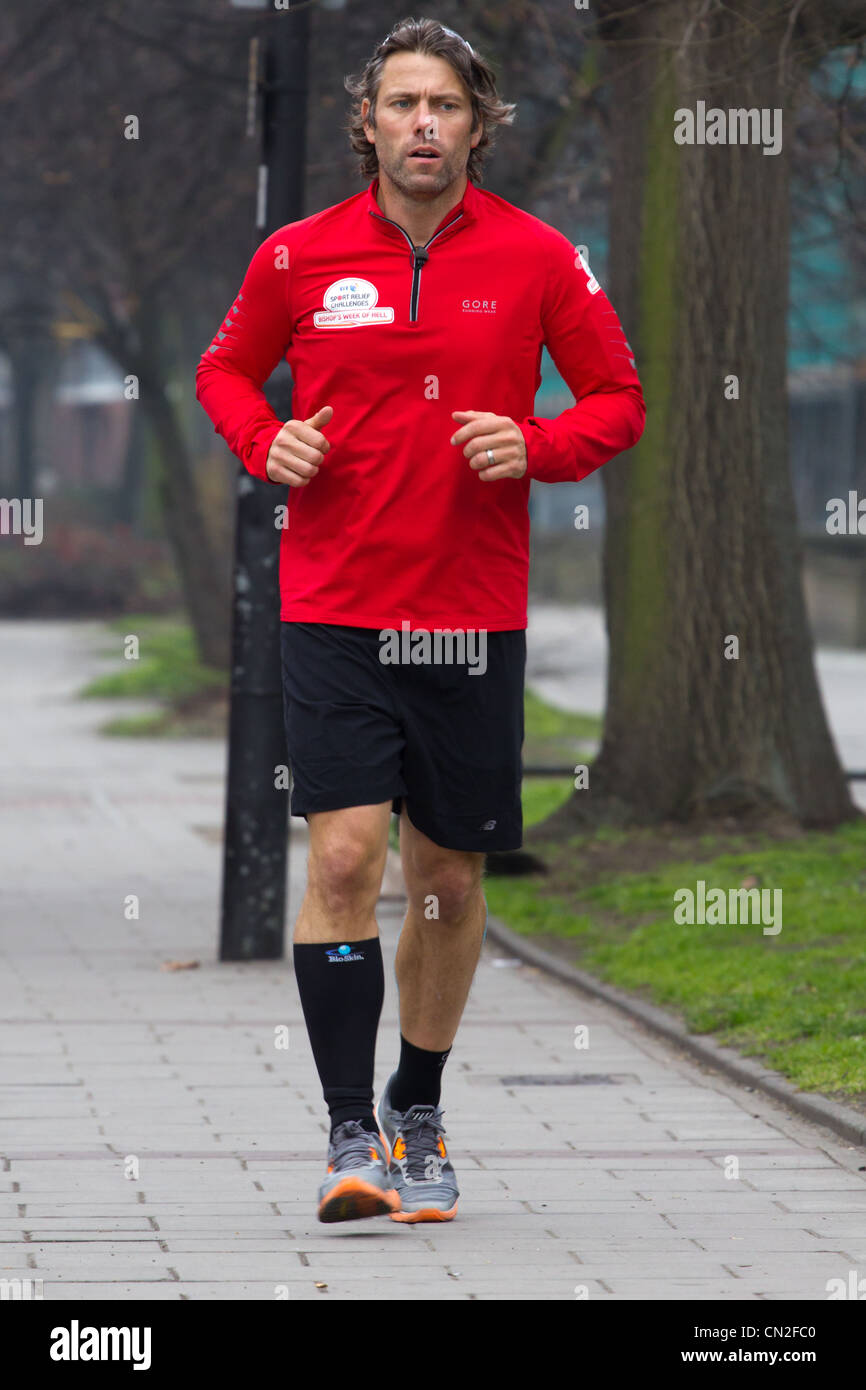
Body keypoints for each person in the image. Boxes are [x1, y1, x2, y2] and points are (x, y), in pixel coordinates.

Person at [196, 16, 645, 1224]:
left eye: (444, 105)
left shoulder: (543, 258)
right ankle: (350, 1132)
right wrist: (262, 438)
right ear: (370, 123)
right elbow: (224, 373)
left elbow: (617, 399)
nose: (423, 124)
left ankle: (420, 1103)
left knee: (446, 875)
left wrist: (537, 445)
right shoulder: (295, 258)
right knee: (344, 854)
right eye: (401, 104)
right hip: (335, 603)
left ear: (477, 124)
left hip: (470, 614)